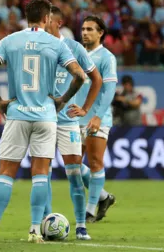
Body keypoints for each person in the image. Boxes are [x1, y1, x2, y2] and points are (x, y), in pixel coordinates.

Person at [0, 0, 85, 244]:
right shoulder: (56, 44)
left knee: (6, 173)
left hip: (17, 114)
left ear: (26, 17)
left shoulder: (9, 41)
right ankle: (35, 231)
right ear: (47, 19)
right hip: (46, 116)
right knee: (40, 174)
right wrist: (62, 100)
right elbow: (79, 76)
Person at [44, 5, 102, 240]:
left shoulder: (74, 47)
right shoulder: (37, 45)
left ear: (57, 23)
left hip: (67, 121)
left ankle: (80, 226)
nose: (40, 25)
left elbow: (96, 78)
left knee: (75, 173)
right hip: (43, 120)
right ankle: (43, 224)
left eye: (45, 22)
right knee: (42, 175)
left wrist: (86, 109)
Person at [70, 16, 117, 223]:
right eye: (83, 29)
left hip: (97, 118)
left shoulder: (106, 57)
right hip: (75, 117)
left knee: (95, 161)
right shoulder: (76, 55)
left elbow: (109, 90)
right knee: (72, 164)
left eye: (90, 29)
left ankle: (90, 210)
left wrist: (97, 116)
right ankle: (105, 197)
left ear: (101, 33)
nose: (85, 33)